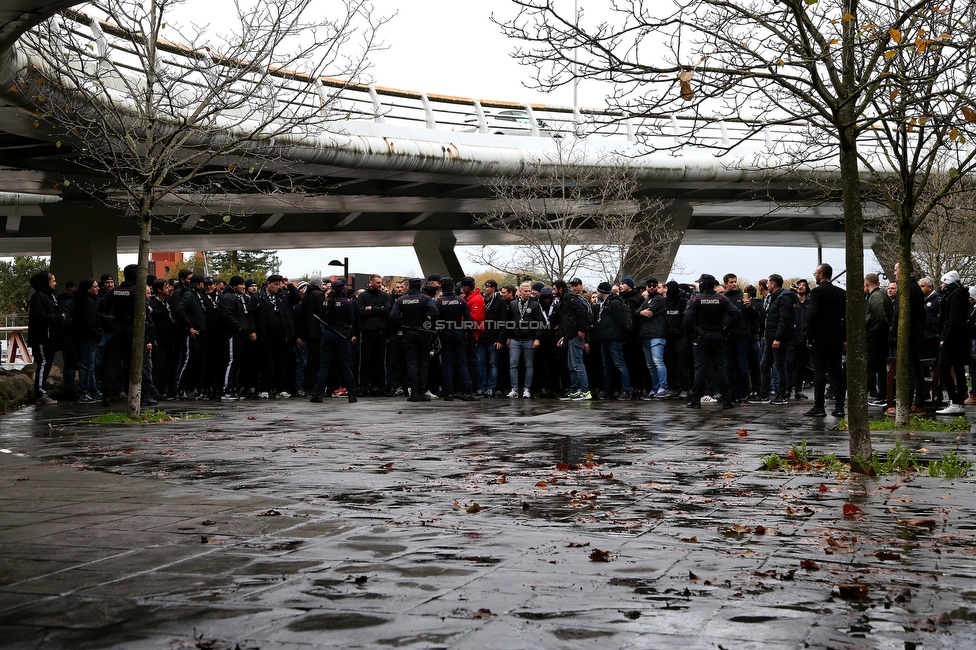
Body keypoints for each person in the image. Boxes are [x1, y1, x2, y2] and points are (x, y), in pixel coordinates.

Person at [683, 273, 741, 409]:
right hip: (719, 335)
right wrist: (726, 328)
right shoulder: (722, 299)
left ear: (703, 284)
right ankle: (727, 400)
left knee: (700, 368)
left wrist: (692, 331)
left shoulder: (696, 299)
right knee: (720, 367)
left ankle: (695, 400)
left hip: (702, 336)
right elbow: (737, 314)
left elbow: (687, 319)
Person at [804, 263, 846, 417]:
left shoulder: (817, 292)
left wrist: (809, 335)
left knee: (819, 372)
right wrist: (844, 336)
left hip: (820, 337)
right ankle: (839, 406)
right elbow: (846, 317)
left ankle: (819, 406)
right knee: (837, 371)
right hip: (836, 337)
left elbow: (813, 314)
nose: (815, 276)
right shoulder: (841, 293)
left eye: (815, 273)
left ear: (821, 275)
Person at [309, 278, 358, 403]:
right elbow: (351, 320)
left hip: (327, 333)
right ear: (344, 289)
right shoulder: (345, 303)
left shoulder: (326, 302)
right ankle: (352, 394)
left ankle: (318, 393)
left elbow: (320, 314)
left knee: (324, 365)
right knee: (346, 365)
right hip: (341, 334)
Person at [391, 277, 439, 401]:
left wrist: (403, 324)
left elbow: (393, 316)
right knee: (423, 363)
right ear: (420, 286)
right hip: (423, 332)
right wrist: (427, 320)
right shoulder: (425, 298)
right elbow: (435, 312)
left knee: (412, 363)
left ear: (408, 287)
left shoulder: (402, 299)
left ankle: (414, 392)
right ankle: (422, 391)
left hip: (408, 332)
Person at [435, 277, 479, 401]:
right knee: (462, 363)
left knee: (447, 363)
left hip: (444, 333)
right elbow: (468, 320)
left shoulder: (439, 301)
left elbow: (434, 316)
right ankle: (468, 391)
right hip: (458, 333)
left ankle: (448, 392)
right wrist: (470, 335)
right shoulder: (460, 300)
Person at [27, 270, 64, 404]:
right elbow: (40, 317)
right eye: (53, 281)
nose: (55, 283)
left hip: (50, 338)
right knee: (43, 364)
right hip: (42, 337)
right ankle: (40, 393)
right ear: (46, 282)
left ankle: (42, 391)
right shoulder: (39, 297)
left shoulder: (50, 296)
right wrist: (57, 318)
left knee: (47, 364)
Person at [936, 271, 969, 415]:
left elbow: (953, 320)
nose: (942, 285)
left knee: (943, 367)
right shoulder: (960, 294)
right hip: (959, 339)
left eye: (943, 282)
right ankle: (959, 402)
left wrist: (946, 339)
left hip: (952, 339)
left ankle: (954, 400)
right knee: (959, 369)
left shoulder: (954, 296)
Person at [218, 276, 255, 400]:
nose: (243, 287)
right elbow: (226, 314)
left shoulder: (241, 297)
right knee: (231, 361)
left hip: (241, 335)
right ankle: (226, 388)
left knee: (237, 362)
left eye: (244, 284)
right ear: (234, 286)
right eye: (241, 284)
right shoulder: (228, 297)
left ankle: (233, 386)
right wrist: (238, 326)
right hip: (232, 335)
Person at [355, 273, 393, 396]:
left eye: (381, 283)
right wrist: (378, 309)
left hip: (380, 332)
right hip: (366, 333)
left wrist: (371, 308)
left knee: (380, 362)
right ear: (371, 283)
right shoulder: (363, 296)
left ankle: (380, 386)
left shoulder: (385, 296)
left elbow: (387, 311)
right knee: (364, 362)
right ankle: (363, 387)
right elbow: (360, 312)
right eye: (378, 283)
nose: (380, 285)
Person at [504, 282, 543, 398]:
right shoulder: (513, 304)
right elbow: (508, 322)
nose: (528, 293)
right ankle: (514, 389)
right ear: (520, 291)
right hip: (515, 339)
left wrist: (537, 338)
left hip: (529, 339)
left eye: (529, 291)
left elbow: (539, 322)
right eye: (525, 291)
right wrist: (508, 337)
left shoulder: (534, 304)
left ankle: (527, 389)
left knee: (529, 364)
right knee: (513, 364)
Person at [759, 274, 794, 405]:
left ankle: (782, 395)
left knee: (780, 365)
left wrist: (778, 338)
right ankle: (764, 394)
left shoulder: (783, 299)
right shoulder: (774, 298)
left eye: (768, 283)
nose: (767, 285)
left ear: (773, 284)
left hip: (778, 338)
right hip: (770, 337)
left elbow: (784, 320)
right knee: (764, 365)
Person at [555, 278, 592, 400]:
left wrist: (582, 330)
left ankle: (586, 391)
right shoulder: (566, 297)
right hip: (570, 334)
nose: (553, 291)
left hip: (576, 334)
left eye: (554, 289)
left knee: (578, 364)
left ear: (560, 288)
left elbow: (581, 312)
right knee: (572, 365)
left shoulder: (568, 297)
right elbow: (567, 319)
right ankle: (574, 390)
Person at [173, 274, 208, 399]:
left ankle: (191, 387)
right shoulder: (189, 294)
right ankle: (180, 387)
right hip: (192, 333)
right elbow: (180, 309)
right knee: (188, 361)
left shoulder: (198, 295)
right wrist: (189, 326)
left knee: (197, 362)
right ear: (199, 284)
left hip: (200, 333)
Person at [636, 279, 669, 398]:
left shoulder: (659, 299)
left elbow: (649, 313)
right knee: (650, 365)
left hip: (657, 334)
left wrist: (641, 312)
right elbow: (636, 312)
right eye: (649, 286)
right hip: (645, 335)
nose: (651, 287)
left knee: (658, 361)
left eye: (654, 286)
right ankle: (655, 388)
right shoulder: (646, 300)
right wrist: (641, 313)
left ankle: (663, 387)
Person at [864, 272, 892, 407]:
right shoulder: (882, 295)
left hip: (876, 335)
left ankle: (874, 394)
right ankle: (881, 395)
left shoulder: (875, 297)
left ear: (866, 283)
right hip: (880, 335)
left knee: (873, 366)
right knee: (880, 367)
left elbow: (880, 317)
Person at [72, 278, 102, 403]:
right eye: (95, 287)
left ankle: (93, 391)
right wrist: (96, 334)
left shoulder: (81, 300)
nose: (98, 288)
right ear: (88, 289)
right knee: (87, 366)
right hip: (88, 338)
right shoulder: (88, 302)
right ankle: (83, 393)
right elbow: (90, 322)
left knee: (89, 366)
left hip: (83, 337)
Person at [478, 279, 507, 396]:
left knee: (493, 364)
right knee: (480, 363)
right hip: (481, 337)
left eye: (488, 287)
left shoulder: (500, 301)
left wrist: (500, 339)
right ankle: (481, 387)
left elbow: (503, 322)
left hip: (494, 338)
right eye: (484, 286)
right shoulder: (481, 300)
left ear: (493, 289)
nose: (485, 289)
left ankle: (491, 387)